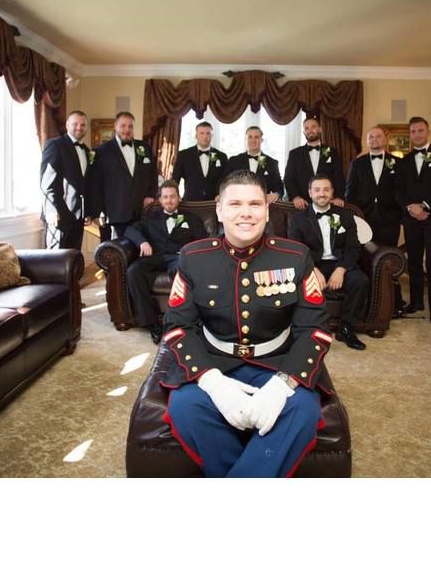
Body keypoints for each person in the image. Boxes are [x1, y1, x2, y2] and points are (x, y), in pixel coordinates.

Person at [161, 170, 334, 478]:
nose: (246, 213)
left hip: (276, 361)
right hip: (215, 361)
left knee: (302, 411)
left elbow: (315, 330)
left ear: (267, 210)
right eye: (235, 204)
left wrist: (284, 385)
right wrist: (212, 383)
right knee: (185, 407)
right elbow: (177, 327)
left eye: (255, 204)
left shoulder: (295, 257)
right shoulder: (193, 257)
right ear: (219, 209)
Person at [287, 175, 369, 350]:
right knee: (298, 283)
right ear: (310, 193)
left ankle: (346, 328)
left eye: (326, 190)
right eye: (317, 190)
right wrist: (312, 270)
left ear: (332, 192)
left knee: (360, 281)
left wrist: (341, 269)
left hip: (339, 263)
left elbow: (353, 248)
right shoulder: (298, 219)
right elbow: (297, 250)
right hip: (312, 264)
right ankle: (305, 331)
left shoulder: (346, 216)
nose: (321, 194)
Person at [124, 180, 207, 344]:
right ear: (160, 199)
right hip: (156, 256)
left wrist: (187, 253)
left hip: (178, 257)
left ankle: (183, 322)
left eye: (172, 197)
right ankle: (151, 323)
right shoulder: (150, 217)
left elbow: (202, 240)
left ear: (179, 198)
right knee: (133, 271)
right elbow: (130, 229)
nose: (169, 200)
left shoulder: (191, 218)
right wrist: (142, 242)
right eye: (165, 197)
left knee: (181, 273)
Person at [394, 116, 431, 325]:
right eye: (413, 132)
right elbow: (398, 190)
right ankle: (416, 302)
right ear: (409, 135)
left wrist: (425, 206)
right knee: (414, 262)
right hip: (411, 219)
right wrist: (411, 207)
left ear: (428, 132)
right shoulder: (404, 161)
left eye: (420, 130)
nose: (417, 135)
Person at [346, 125, 405, 316]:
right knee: (366, 258)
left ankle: (391, 305)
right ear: (366, 140)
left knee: (388, 259)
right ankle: (366, 302)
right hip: (365, 220)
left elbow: (402, 192)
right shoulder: (358, 163)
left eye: (378, 136)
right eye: (371, 137)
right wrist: (355, 218)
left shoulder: (397, 163)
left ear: (385, 139)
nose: (374, 140)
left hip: (389, 220)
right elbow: (350, 193)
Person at [86, 111, 158, 238]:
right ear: (115, 126)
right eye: (123, 126)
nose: (127, 129)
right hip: (113, 215)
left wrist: (150, 195)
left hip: (141, 213)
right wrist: (98, 212)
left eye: (130, 126)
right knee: (112, 253)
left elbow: (153, 174)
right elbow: (95, 184)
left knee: (139, 251)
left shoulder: (144, 148)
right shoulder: (101, 151)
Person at [39, 109, 92, 249]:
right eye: (75, 124)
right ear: (67, 125)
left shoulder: (87, 151)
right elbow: (47, 182)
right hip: (58, 215)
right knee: (55, 262)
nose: (79, 128)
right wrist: (51, 210)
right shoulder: (55, 145)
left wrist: (87, 211)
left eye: (83, 125)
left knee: (73, 260)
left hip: (78, 217)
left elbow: (85, 184)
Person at [284, 115, 345, 209]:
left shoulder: (332, 152)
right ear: (304, 131)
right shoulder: (295, 154)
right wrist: (295, 197)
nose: (310, 130)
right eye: (306, 128)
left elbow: (339, 177)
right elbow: (289, 179)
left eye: (313, 127)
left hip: (328, 204)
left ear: (320, 129)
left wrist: (338, 197)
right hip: (303, 205)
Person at [225, 125, 283, 202]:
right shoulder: (234, 161)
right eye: (250, 137)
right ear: (246, 139)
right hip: (239, 204)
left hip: (262, 206)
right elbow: (225, 182)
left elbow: (279, 187)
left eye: (256, 137)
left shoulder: (272, 163)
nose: (253, 140)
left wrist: (276, 194)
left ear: (261, 140)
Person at [172, 121, 228, 201]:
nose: (205, 136)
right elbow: (175, 179)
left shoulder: (221, 156)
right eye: (202, 133)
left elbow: (226, 180)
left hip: (214, 203)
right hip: (190, 202)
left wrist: (221, 195)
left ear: (212, 136)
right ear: (196, 136)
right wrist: (175, 196)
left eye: (208, 133)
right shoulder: (184, 155)